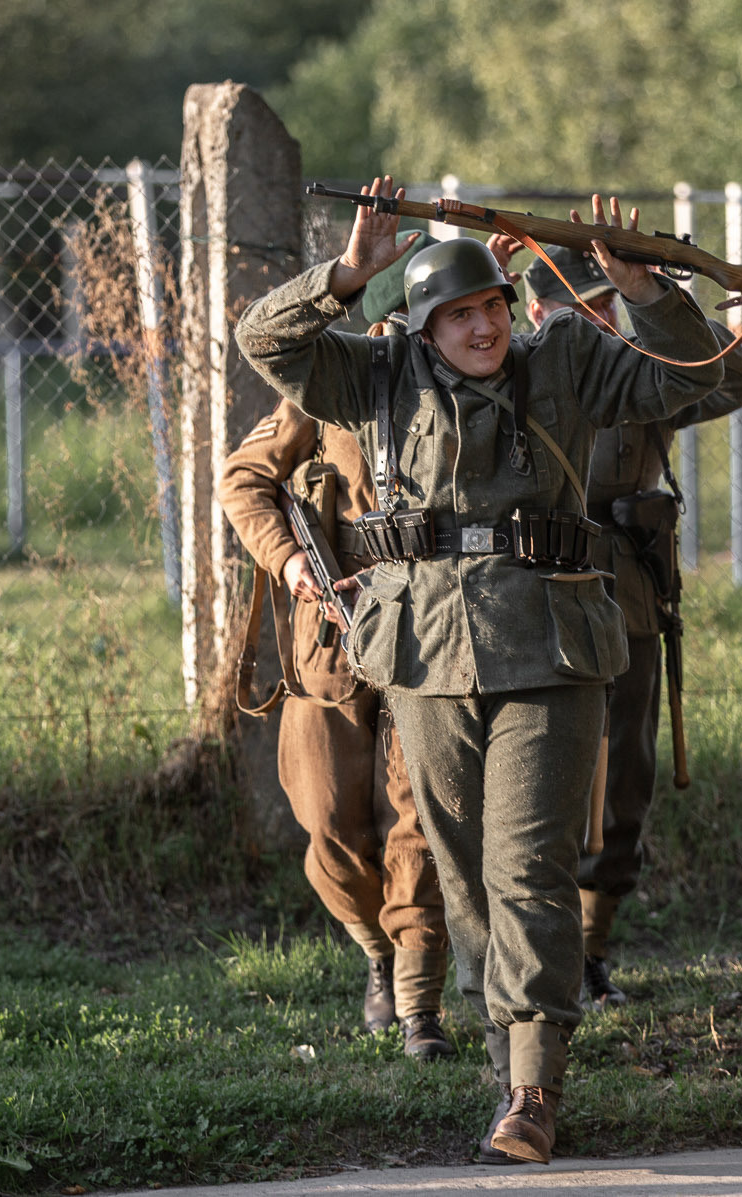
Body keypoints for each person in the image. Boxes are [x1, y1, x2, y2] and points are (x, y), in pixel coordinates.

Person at [236, 178, 721, 1164]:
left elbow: (693, 376)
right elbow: (265, 341)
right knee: (460, 870)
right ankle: (505, 1051)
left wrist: (644, 290)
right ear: (420, 327)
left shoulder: (566, 361)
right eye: (457, 315)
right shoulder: (372, 378)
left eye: (490, 308)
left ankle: (534, 1085)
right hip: (424, 649)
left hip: (548, 642)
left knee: (529, 860)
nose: (481, 327)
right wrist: (344, 274)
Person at [519, 247, 742, 1005]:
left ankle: (592, 949)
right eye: (577, 307)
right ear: (534, 314)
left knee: (621, 779)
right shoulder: (506, 372)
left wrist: (654, 306)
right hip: (523, 607)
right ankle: (523, 954)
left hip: (620, 602)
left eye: (603, 306)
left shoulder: (637, 376)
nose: (593, 320)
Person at [216, 389, 454, 1061]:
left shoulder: (461, 374)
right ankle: (376, 947)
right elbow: (242, 479)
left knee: (418, 818)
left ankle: (418, 1001)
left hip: (431, 625)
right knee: (325, 813)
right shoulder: (326, 383)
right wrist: (289, 559)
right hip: (333, 626)